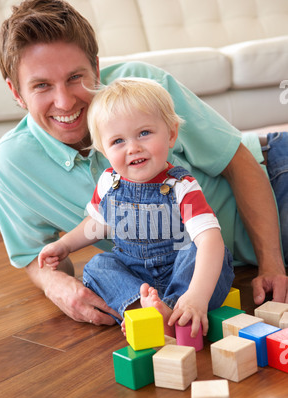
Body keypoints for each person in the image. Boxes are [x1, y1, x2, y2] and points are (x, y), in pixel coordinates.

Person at [0, 0, 287, 327]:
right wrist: (53, 276)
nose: (64, 101)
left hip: (273, 176)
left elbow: (237, 160)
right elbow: (48, 249)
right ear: (16, 93)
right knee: (98, 267)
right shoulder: (10, 166)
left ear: (96, 69)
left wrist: (271, 263)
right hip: (174, 273)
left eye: (75, 77)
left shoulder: (145, 89)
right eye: (42, 85)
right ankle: (152, 313)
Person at [38, 78, 235, 337]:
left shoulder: (180, 186)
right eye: (118, 141)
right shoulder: (109, 181)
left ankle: (177, 309)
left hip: (178, 267)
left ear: (171, 134)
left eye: (144, 133)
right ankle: (139, 309)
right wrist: (65, 245)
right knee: (97, 266)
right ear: (104, 150)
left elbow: (210, 239)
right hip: (134, 271)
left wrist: (197, 294)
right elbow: (97, 224)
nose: (133, 147)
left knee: (204, 252)